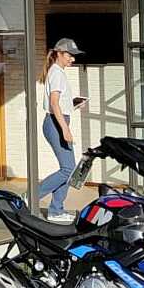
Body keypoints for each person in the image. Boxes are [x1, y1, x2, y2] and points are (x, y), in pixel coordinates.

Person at [39, 38, 85, 223]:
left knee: (69, 169)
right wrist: (65, 129)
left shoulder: (57, 72)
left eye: (73, 56)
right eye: (69, 55)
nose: (72, 59)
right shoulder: (57, 73)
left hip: (58, 121)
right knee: (68, 169)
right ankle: (32, 196)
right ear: (59, 53)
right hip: (56, 124)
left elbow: (59, 104)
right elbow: (54, 103)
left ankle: (56, 210)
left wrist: (73, 105)